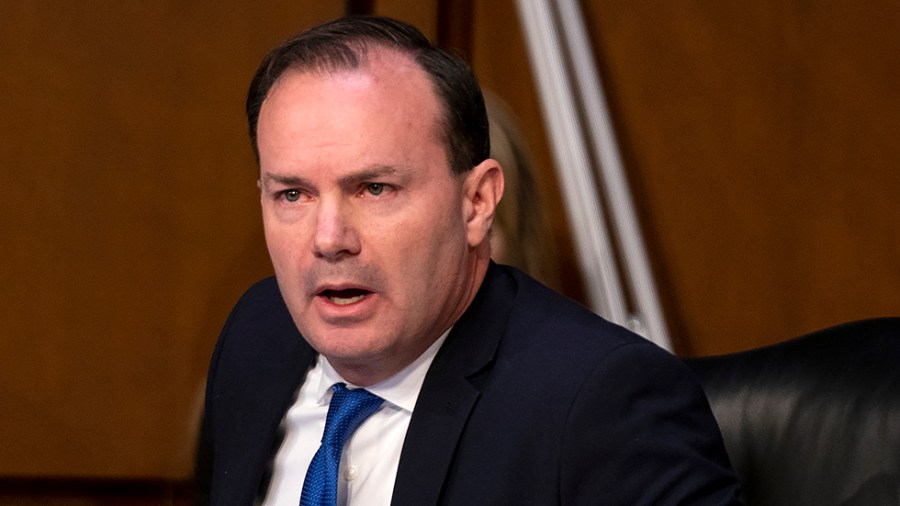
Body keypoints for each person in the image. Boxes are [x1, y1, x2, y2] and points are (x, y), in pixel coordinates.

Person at [196, 15, 742, 506]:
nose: (329, 238)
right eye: (293, 195)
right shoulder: (258, 336)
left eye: (375, 189)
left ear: (477, 202)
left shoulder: (599, 402)